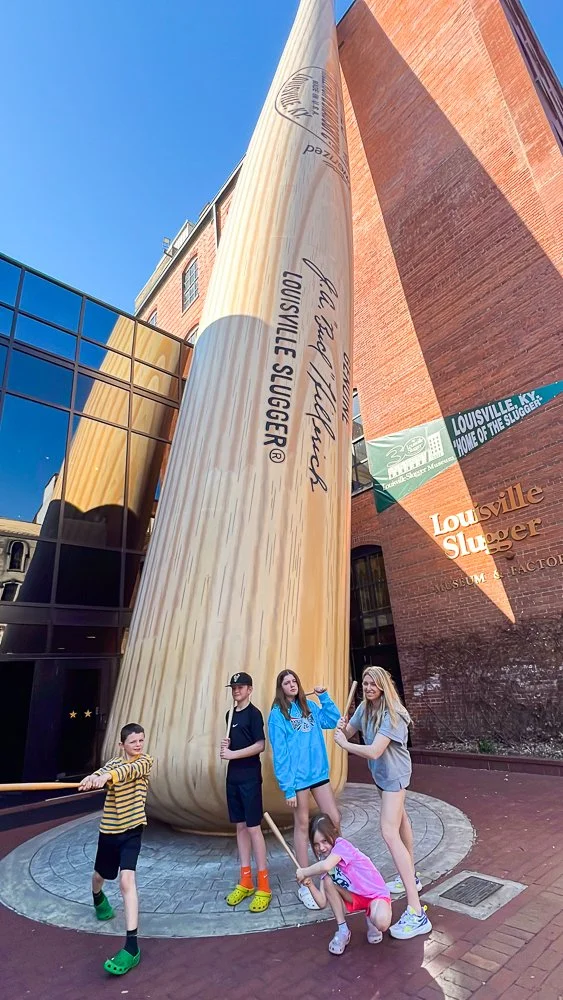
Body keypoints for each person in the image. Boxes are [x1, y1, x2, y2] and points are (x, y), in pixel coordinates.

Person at [334, 665, 431, 940]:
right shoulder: (365, 708)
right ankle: (411, 877)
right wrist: (342, 727)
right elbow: (350, 730)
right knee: (401, 823)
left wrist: (345, 745)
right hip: (381, 776)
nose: (367, 687)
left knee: (389, 832)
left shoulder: (393, 713)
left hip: (395, 776)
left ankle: (417, 912)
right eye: (364, 683)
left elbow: (375, 751)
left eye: (372, 683)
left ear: (383, 685)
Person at [78, 722, 153, 976]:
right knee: (99, 877)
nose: (139, 745)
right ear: (122, 745)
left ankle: (132, 947)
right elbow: (104, 771)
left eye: (141, 740)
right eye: (133, 742)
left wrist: (105, 777)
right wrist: (91, 779)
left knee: (126, 881)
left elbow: (125, 772)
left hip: (132, 831)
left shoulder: (144, 763)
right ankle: (98, 899)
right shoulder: (111, 764)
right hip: (109, 832)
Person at [268, 669, 340, 909]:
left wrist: (325, 698)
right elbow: (280, 752)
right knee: (301, 825)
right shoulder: (278, 714)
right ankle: (304, 880)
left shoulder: (309, 705)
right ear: (281, 687)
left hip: (318, 772)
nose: (291, 684)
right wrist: (287, 788)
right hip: (297, 779)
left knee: (334, 818)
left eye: (294, 681)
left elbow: (332, 720)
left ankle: (335, 866)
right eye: (286, 682)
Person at [295, 813, 392, 955]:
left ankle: (371, 917)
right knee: (328, 881)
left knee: (382, 923)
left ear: (333, 834)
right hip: (354, 897)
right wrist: (309, 884)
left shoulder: (342, 846)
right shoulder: (324, 864)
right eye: (316, 844)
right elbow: (322, 902)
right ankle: (343, 930)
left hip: (375, 896)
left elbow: (326, 866)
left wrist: (305, 871)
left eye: (324, 841)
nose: (321, 848)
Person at [220, 671, 271, 912]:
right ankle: (246, 880)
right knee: (239, 827)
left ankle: (264, 884)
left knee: (253, 828)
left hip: (250, 777)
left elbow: (260, 745)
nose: (236, 690)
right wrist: (228, 747)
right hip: (233, 777)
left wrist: (232, 754)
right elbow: (236, 743)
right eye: (234, 687)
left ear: (250, 689)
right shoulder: (230, 715)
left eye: (240, 687)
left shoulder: (254, 714)